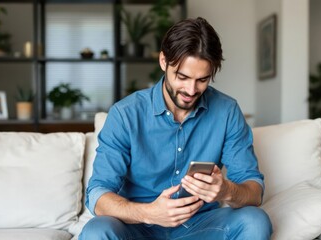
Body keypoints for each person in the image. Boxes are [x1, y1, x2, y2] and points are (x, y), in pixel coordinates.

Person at [80, 17, 272, 240]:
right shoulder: (125, 115)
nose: (191, 90)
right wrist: (150, 213)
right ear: (163, 61)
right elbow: (97, 194)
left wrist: (226, 190)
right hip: (139, 226)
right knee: (96, 231)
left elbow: (254, 190)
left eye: (202, 80)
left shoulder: (227, 112)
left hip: (201, 225)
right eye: (182, 77)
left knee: (255, 221)